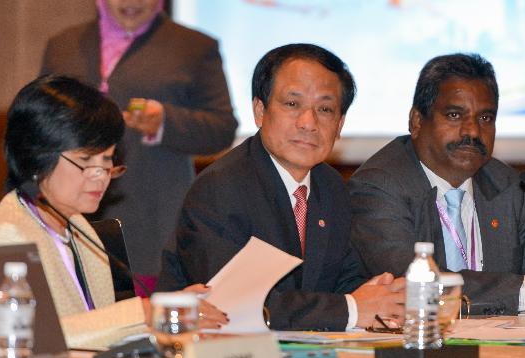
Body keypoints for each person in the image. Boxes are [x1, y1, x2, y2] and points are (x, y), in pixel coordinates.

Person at [157, 44, 404, 330]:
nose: (308, 123)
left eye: (325, 109)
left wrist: (379, 295)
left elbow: (343, 278)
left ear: (339, 125)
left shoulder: (330, 185)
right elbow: (234, 305)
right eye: (292, 104)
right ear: (260, 110)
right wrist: (352, 308)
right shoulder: (221, 189)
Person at [0, 75, 227, 349]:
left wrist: (169, 309)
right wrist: (149, 313)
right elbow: (32, 341)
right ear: (37, 156)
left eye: (106, 160)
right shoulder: (5, 235)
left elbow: (95, 325)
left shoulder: (76, 224)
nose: (100, 176)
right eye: (85, 161)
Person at [40, 0, 238, 288]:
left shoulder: (193, 47)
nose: (131, 0)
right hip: (66, 215)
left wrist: (166, 122)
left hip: (152, 218)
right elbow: (38, 124)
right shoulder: (64, 46)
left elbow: (222, 127)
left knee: (146, 322)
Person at [349, 53, 525, 315]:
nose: (472, 132)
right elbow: (413, 284)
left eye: (485, 118)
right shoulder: (379, 185)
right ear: (416, 121)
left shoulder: (504, 183)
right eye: (454, 115)